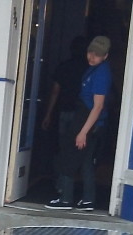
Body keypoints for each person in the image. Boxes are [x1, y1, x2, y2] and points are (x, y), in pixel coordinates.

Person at [46, 36, 112, 211]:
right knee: (85, 161)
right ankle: (88, 200)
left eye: (97, 54)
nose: (92, 56)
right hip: (85, 117)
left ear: (105, 56)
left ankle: (66, 198)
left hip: (89, 120)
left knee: (70, 155)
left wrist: (83, 132)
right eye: (90, 52)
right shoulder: (95, 69)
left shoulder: (101, 73)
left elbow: (97, 107)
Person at [41, 36, 89, 190]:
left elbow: (55, 91)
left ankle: (61, 186)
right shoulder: (90, 69)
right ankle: (76, 187)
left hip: (64, 112)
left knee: (63, 149)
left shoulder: (64, 66)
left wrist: (48, 114)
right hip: (83, 114)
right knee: (81, 152)